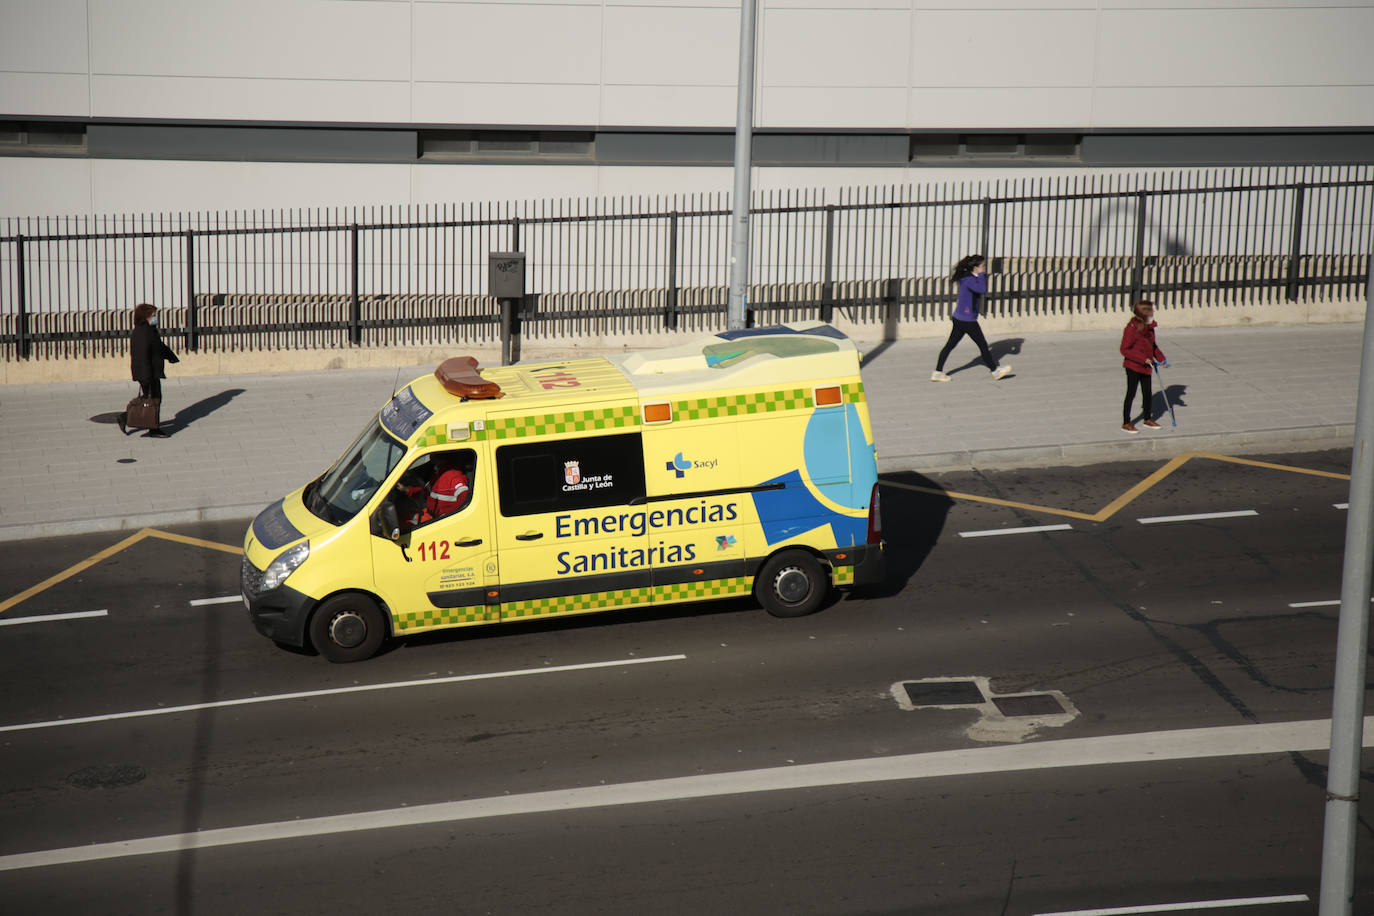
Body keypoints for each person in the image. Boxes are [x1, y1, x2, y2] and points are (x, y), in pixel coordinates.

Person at [931, 254, 1011, 382]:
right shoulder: (970, 279)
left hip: (959, 317)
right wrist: (981, 275)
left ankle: (937, 372)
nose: (984, 268)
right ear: (975, 268)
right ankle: (995, 371)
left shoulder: (967, 277)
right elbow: (982, 289)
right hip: (967, 320)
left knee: (950, 345)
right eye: (982, 266)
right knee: (983, 346)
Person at [120, 302, 178, 437]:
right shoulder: (141, 333)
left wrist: (171, 356)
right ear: (145, 317)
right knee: (153, 399)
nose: (155, 318)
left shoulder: (150, 330)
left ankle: (127, 418)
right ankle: (153, 429)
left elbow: (158, 346)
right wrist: (145, 377)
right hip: (147, 373)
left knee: (150, 399)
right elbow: (141, 357)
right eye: (153, 315)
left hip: (152, 371)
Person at [1120, 299, 1166, 434]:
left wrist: (1161, 357)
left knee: (1147, 393)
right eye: (1151, 310)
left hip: (1147, 367)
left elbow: (1153, 346)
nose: (1153, 312)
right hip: (1133, 366)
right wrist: (1142, 359)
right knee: (1131, 393)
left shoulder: (1150, 328)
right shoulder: (1131, 329)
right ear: (1144, 313)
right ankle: (1126, 422)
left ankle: (1147, 419)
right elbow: (1124, 349)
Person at [398, 451, 471, 530]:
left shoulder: (455, 478)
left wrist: (448, 516)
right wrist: (407, 490)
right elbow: (426, 492)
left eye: (433, 457)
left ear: (443, 459)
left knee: (400, 527)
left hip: (439, 522)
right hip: (429, 515)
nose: (431, 459)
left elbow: (465, 501)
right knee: (398, 518)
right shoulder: (439, 475)